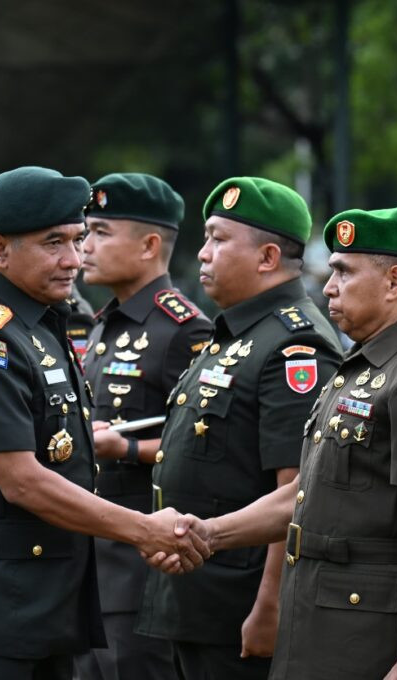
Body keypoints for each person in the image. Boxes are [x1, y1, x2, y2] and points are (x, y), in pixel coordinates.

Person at [0, 166, 209, 680]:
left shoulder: (40, 322)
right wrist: (144, 530)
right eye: (53, 243)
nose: (74, 259)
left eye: (78, 239)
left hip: (40, 605)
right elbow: (22, 482)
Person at [135, 176, 342, 679]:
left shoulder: (295, 346)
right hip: (195, 596)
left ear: (267, 257)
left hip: (238, 605)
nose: (203, 253)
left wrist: (271, 604)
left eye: (219, 239)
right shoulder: (237, 331)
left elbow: (297, 492)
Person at [73, 173, 213, 680]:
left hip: (142, 565)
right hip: (91, 553)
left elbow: (206, 447)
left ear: (150, 245)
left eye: (101, 232)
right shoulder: (105, 322)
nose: (85, 247)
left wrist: (126, 449)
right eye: (86, 232)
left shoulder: (183, 330)